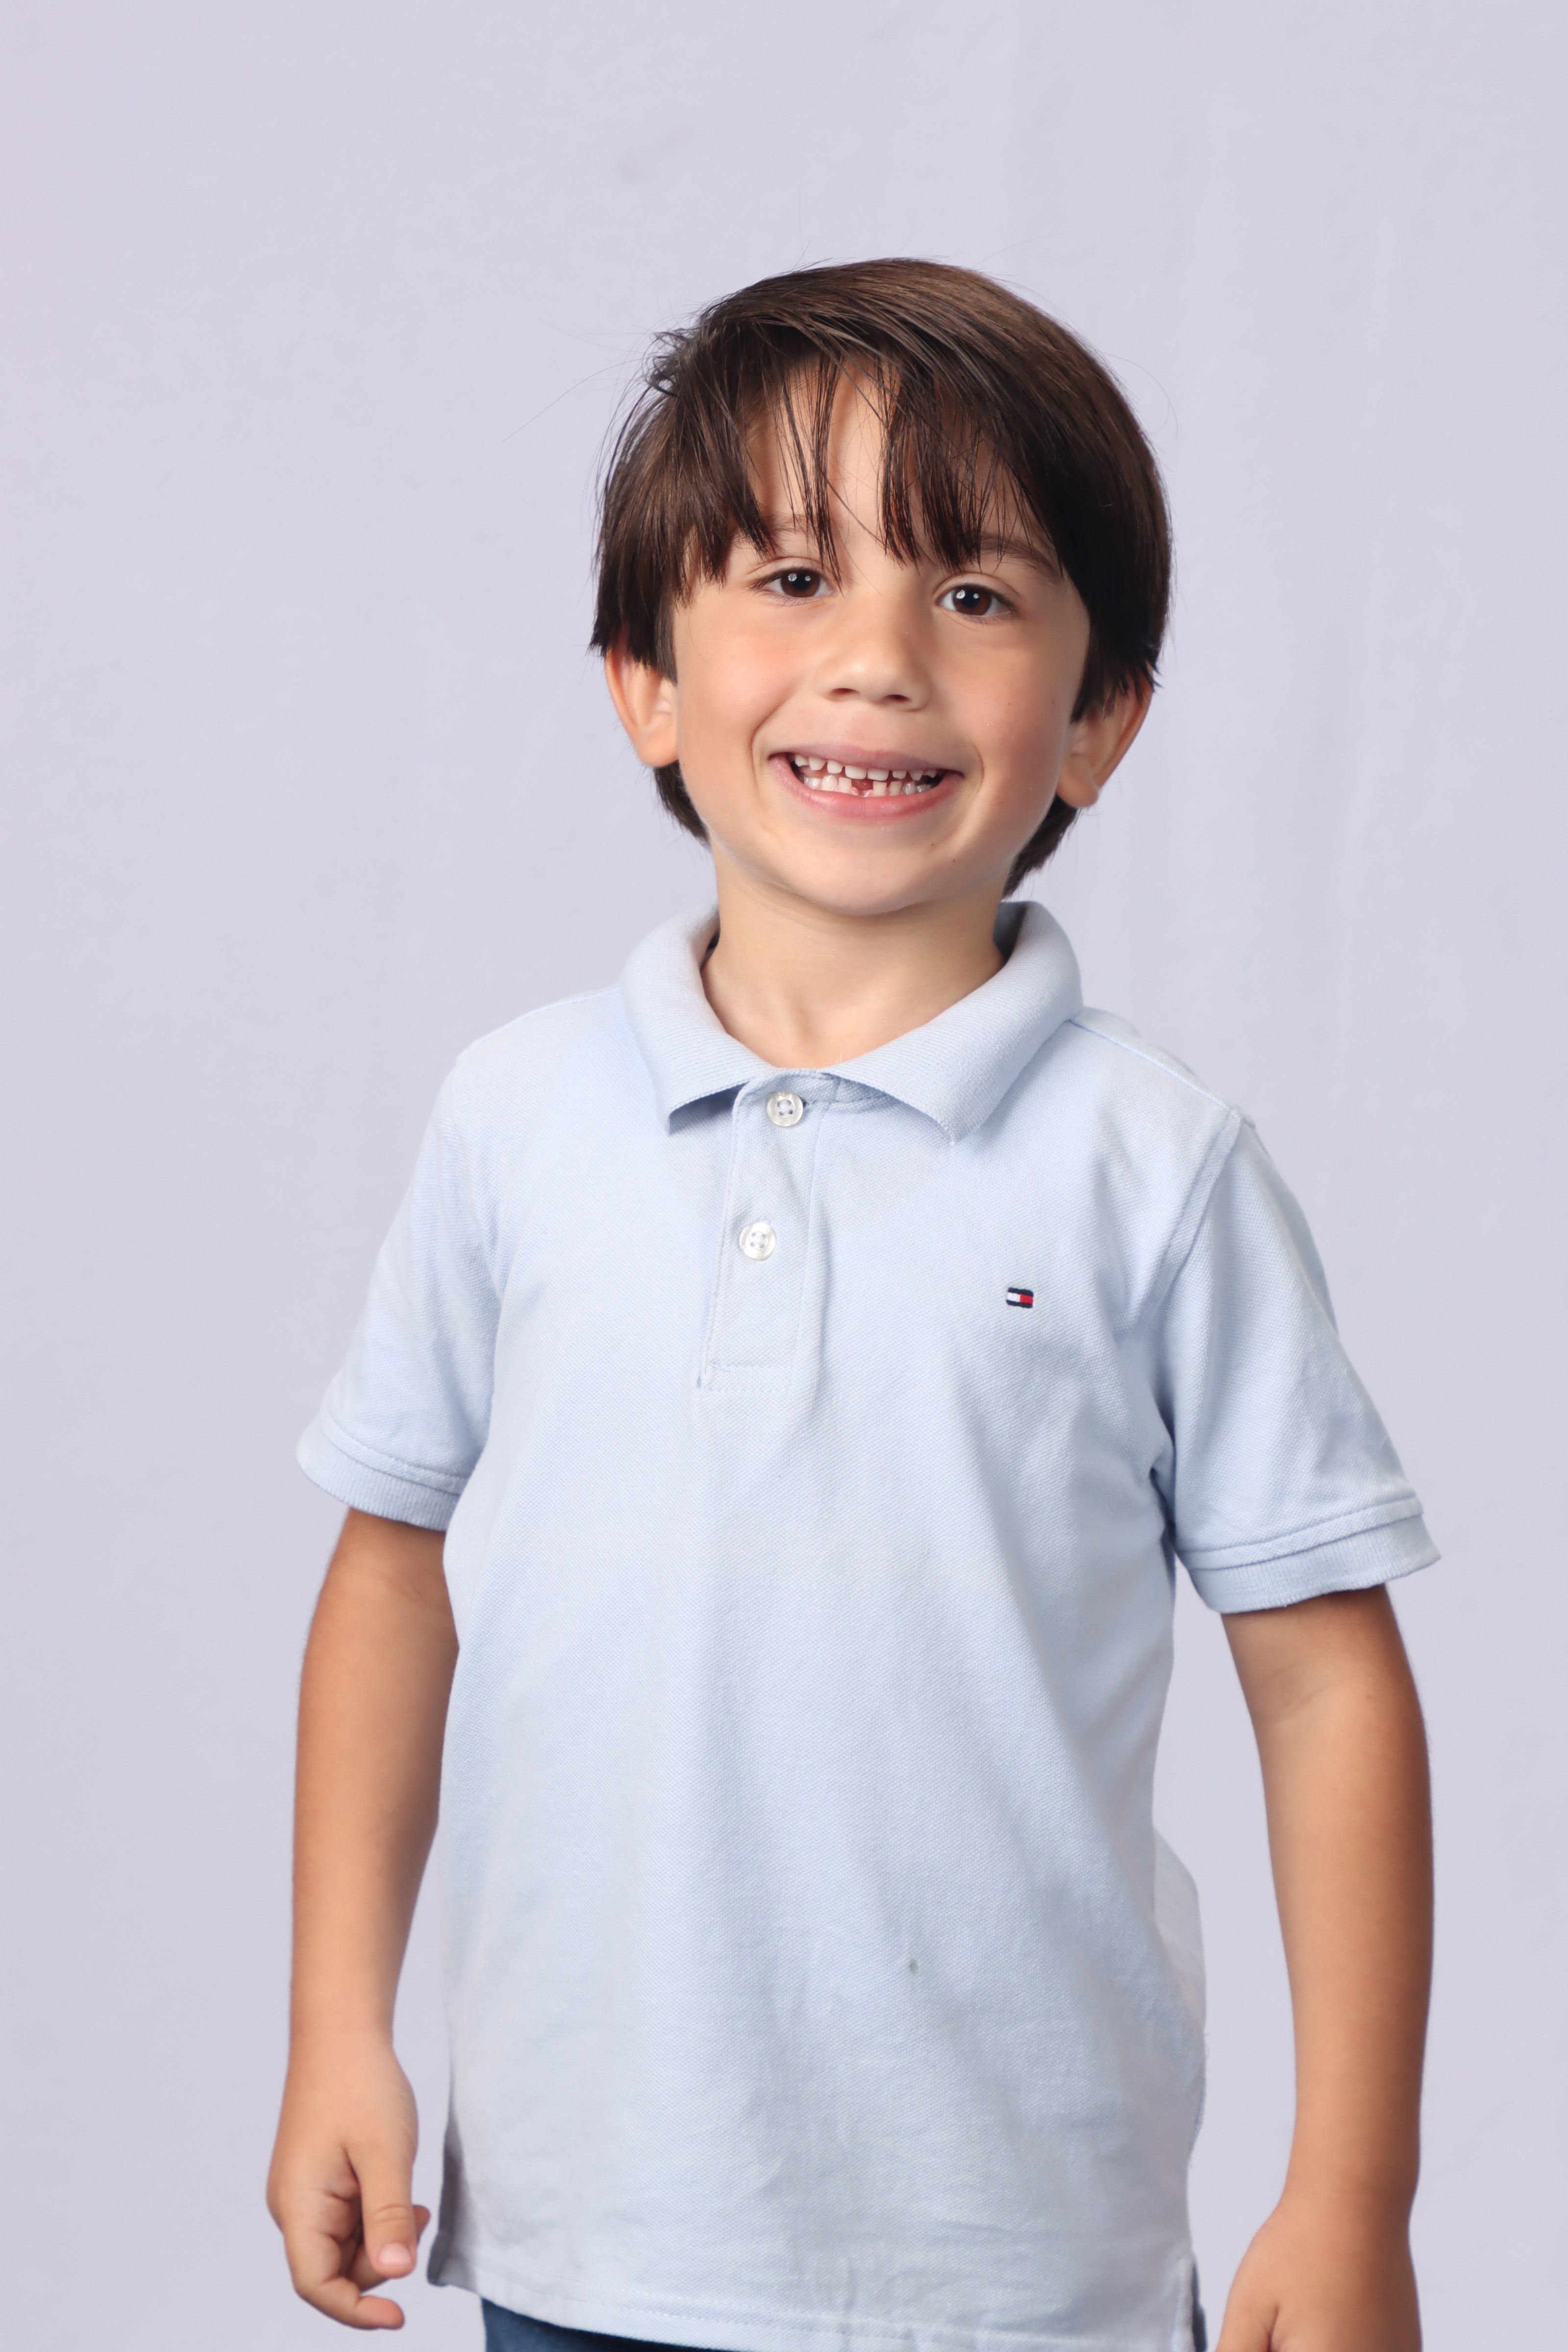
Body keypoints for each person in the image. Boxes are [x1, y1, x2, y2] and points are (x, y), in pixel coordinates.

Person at [268, 261, 1435, 2352]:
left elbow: (1325, 1686)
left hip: (1023, 2268)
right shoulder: (515, 1119)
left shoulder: (1155, 1168)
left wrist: (1352, 2194)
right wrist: (333, 2027)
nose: (879, 659)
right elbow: (395, 1573)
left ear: (1100, 720)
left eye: (973, 595)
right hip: (586, 2234)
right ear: (645, 682)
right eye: (794, 578)